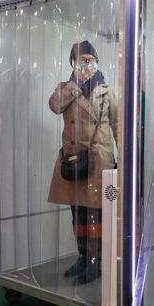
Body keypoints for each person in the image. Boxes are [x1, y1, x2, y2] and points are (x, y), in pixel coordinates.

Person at [47, 40, 118, 284]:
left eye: (90, 59)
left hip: (99, 161)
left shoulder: (109, 90)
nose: (86, 63)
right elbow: (54, 107)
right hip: (73, 160)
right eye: (81, 60)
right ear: (73, 63)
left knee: (95, 215)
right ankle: (82, 256)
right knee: (77, 213)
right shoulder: (65, 88)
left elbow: (119, 126)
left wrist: (127, 162)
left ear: (96, 60)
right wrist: (75, 84)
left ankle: (95, 261)